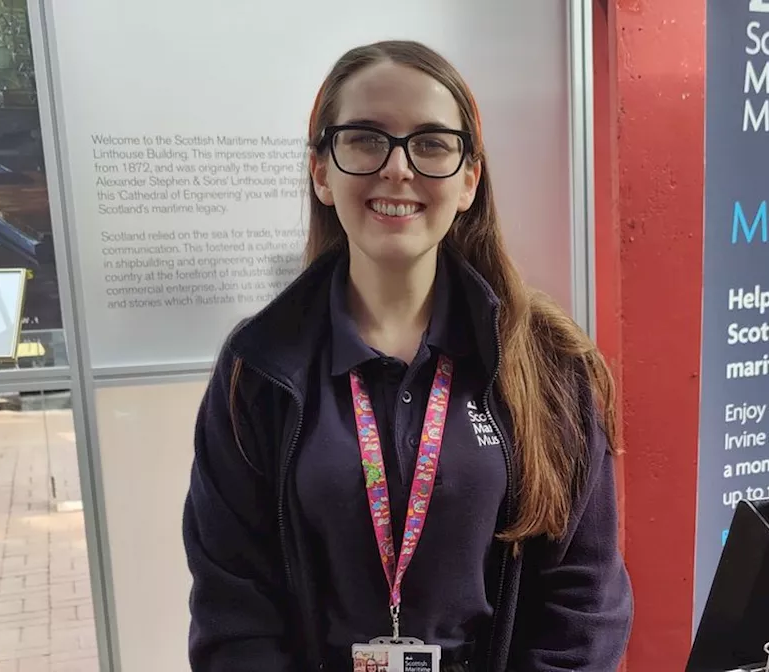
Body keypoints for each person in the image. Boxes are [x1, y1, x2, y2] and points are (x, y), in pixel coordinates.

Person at [182, 39, 633, 672]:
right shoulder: (258, 367)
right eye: (366, 138)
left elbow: (584, 601)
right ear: (321, 171)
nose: (398, 168)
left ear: (469, 179)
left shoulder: (548, 362)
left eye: (430, 143)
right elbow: (234, 606)